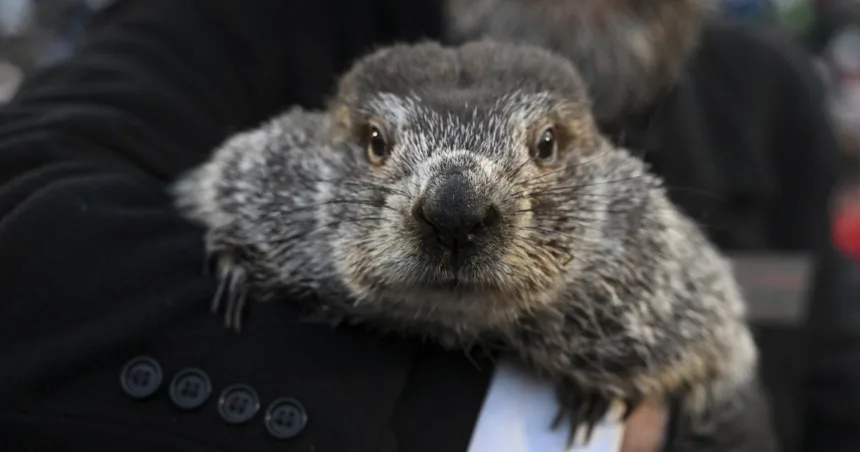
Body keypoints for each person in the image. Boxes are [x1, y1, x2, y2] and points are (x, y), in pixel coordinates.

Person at [0, 1, 855, 451]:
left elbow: (825, 376)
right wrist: (504, 429)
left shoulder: (770, 98)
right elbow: (28, 225)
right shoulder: (249, 20)